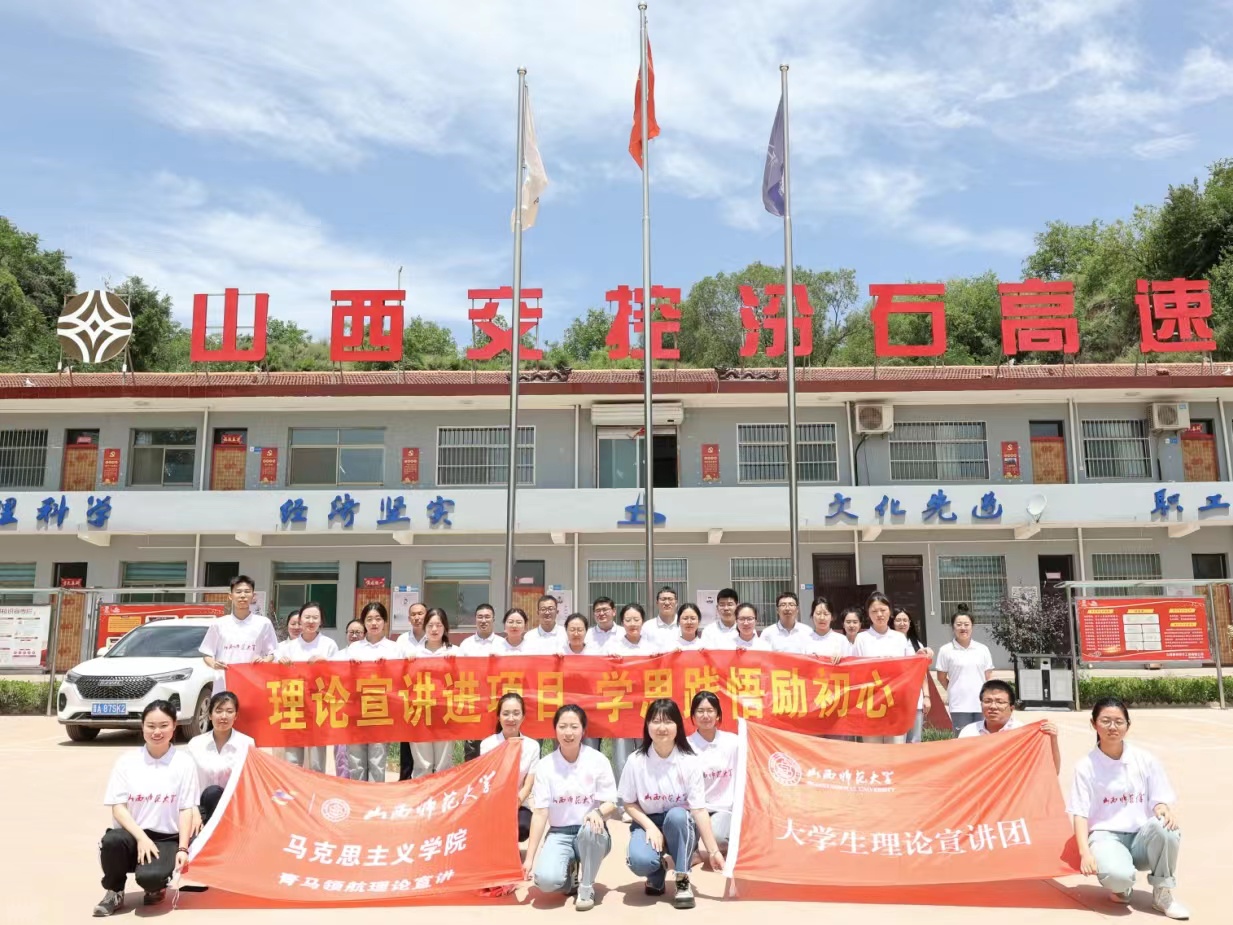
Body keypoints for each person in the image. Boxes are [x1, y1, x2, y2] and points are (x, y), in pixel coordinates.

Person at [1067, 697, 1188, 920]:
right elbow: (1080, 813)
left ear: (1128, 725)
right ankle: (1122, 886)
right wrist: (1085, 853)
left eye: (1119, 721)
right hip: (1106, 837)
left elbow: (1159, 799)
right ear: (1093, 724)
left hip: (1141, 837)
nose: (1112, 727)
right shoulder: (1085, 766)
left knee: (1166, 827)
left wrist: (1162, 808)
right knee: (1118, 877)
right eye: (1105, 721)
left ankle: (1162, 893)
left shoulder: (1145, 759)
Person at [93, 700, 200, 917]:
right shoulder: (126, 761)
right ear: (142, 726)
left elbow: (186, 809)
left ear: (174, 725)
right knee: (112, 841)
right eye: (150, 726)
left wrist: (182, 848)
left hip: (166, 839)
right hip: (133, 834)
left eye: (163, 725)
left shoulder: (184, 763)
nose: (156, 732)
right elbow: (118, 808)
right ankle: (114, 891)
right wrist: (141, 838)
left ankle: (156, 886)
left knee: (150, 878)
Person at [619, 698, 725, 909]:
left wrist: (713, 851)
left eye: (668, 721)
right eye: (656, 721)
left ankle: (682, 878)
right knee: (641, 862)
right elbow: (629, 803)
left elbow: (698, 809)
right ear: (647, 725)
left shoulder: (689, 761)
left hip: (680, 824)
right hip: (647, 822)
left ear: (678, 726)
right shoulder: (635, 760)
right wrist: (650, 827)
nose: (662, 728)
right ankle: (656, 871)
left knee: (678, 815)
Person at [524, 705, 617, 912]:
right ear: (555, 730)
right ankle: (570, 870)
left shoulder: (597, 760)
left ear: (583, 730)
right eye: (563, 726)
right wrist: (529, 859)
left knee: (590, 830)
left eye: (574, 727)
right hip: (559, 832)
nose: (568, 733)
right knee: (546, 881)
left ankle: (586, 887)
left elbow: (611, 801)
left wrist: (598, 812)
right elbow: (540, 813)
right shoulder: (545, 765)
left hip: (592, 831)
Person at [275, 601, 339, 772]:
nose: (311, 621)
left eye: (315, 618)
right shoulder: (288, 647)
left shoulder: (329, 645)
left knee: (316, 759)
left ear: (321, 621)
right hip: (293, 706)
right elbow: (276, 678)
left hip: (319, 707)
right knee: (292, 758)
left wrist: (325, 662)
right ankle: (293, 788)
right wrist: (281, 665)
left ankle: (315, 788)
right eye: (307, 617)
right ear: (300, 620)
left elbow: (338, 675)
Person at [855, 593, 925, 744]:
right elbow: (855, 671)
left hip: (895, 704)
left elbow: (910, 667)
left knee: (895, 749)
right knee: (873, 750)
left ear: (890, 611)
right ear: (868, 614)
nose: (879, 614)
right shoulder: (861, 639)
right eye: (874, 611)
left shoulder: (899, 638)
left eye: (883, 610)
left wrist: (922, 656)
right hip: (871, 704)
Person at [603, 603, 659, 788]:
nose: (633, 623)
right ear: (622, 622)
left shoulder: (653, 647)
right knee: (622, 756)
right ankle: (623, 798)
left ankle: (647, 793)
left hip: (645, 708)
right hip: (622, 708)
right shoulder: (612, 647)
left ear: (643, 621)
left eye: (636, 619)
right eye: (628, 620)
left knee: (647, 753)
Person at [342, 602, 399, 782]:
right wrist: (351, 668)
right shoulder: (354, 648)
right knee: (356, 760)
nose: (374, 623)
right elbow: (340, 677)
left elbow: (403, 679)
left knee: (377, 760)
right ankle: (358, 795)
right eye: (369, 619)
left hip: (381, 711)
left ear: (385, 622)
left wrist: (389, 668)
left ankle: (375, 797)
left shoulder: (394, 648)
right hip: (356, 710)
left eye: (378, 619)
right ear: (364, 622)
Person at [198, 575, 278, 696]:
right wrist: (214, 664)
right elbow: (206, 653)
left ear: (253, 596)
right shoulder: (218, 624)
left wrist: (264, 661)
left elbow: (272, 653)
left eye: (247, 592)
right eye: (238, 592)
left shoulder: (263, 623)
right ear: (230, 596)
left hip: (253, 684)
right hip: (224, 684)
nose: (243, 595)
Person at [959, 680, 1061, 772]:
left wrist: (1053, 740)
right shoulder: (969, 732)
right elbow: (958, 766)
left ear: (1011, 708)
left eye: (1000, 702)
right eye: (987, 701)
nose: (993, 706)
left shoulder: (1023, 734)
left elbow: (1051, 771)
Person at [186, 692, 253, 834]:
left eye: (229, 711)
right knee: (212, 793)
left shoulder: (247, 743)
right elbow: (187, 782)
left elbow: (250, 782)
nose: (224, 716)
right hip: (202, 809)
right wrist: (193, 811)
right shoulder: (195, 744)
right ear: (210, 715)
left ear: (236, 716)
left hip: (234, 808)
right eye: (219, 711)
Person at [481, 692, 540, 842]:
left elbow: (528, 784)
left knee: (523, 827)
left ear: (523, 717)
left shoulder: (532, 746)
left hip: (519, 803)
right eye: (506, 714)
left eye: (516, 713)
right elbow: (487, 781)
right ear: (499, 717)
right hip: (493, 803)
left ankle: (510, 849)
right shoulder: (487, 745)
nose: (511, 718)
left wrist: (516, 802)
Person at [686, 692, 737, 855]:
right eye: (700, 711)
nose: (705, 716)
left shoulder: (734, 742)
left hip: (724, 808)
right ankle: (693, 852)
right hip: (694, 808)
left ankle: (729, 846)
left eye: (710, 710)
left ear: (718, 714)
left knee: (718, 838)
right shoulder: (685, 746)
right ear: (693, 716)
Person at [409, 608, 457, 778]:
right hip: (420, 713)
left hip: (445, 713)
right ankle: (422, 793)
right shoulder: (413, 653)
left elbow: (467, 679)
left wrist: (455, 665)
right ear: (424, 627)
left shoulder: (455, 652)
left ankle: (443, 793)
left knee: (444, 763)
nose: (434, 629)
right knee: (423, 764)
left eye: (439, 625)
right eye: (430, 625)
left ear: (445, 627)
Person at [935, 604, 995, 732]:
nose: (963, 628)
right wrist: (954, 689)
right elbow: (941, 677)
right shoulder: (945, 650)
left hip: (981, 704)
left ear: (972, 626)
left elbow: (988, 677)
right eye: (959, 624)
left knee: (982, 738)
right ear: (953, 627)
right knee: (962, 738)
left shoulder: (982, 649)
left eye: (966, 624)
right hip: (959, 706)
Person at [460, 603, 499, 760]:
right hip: (473, 702)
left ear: (493, 619)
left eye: (487, 617)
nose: (483, 620)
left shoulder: (502, 644)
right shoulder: (466, 644)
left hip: (494, 702)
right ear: (475, 619)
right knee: (472, 747)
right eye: (480, 617)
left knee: (494, 744)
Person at [892, 608, 933, 744]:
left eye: (905, 620)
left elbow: (922, 673)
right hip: (894, 698)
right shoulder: (888, 643)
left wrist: (926, 696)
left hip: (915, 697)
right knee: (898, 739)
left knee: (915, 739)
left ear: (910, 623)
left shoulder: (917, 645)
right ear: (892, 622)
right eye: (898, 620)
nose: (902, 623)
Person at [336, 618, 365, 777]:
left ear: (364, 634)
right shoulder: (338, 656)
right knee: (342, 754)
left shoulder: (371, 656)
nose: (354, 635)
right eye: (351, 632)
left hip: (367, 710)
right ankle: (343, 784)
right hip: (343, 711)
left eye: (358, 632)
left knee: (362, 754)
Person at [802, 596, 846, 661]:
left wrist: (842, 658)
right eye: (818, 613)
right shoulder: (804, 640)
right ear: (812, 616)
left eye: (826, 614)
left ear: (832, 617)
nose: (822, 618)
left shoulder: (842, 640)